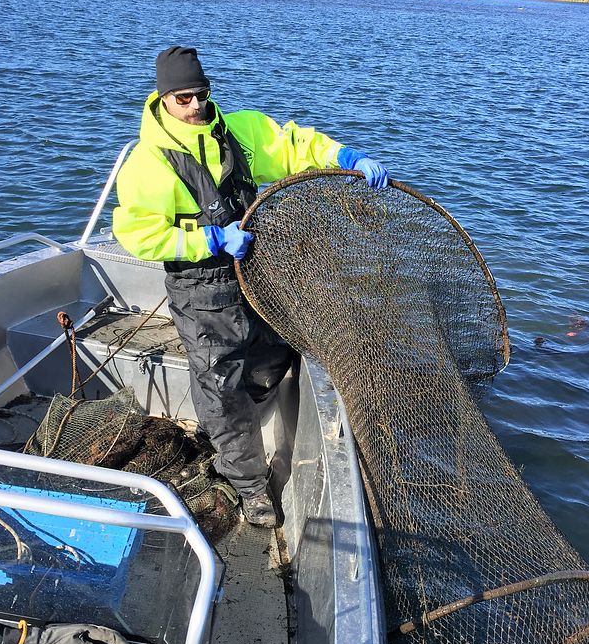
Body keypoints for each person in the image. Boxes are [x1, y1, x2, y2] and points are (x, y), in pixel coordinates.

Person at [113, 46, 388, 527]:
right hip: (200, 288)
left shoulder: (240, 129)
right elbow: (136, 233)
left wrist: (345, 156)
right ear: (163, 100)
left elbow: (294, 145)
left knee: (277, 354)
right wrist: (211, 238)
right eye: (182, 98)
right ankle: (250, 487)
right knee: (221, 388)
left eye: (201, 94)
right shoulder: (147, 163)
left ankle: (236, 427)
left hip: (255, 274)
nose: (195, 105)